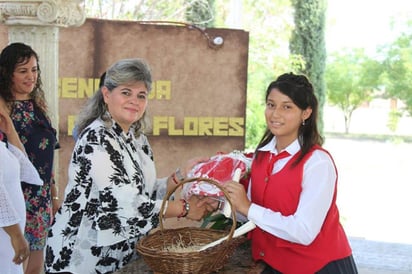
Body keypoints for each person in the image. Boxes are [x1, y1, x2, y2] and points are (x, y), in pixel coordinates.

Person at [44, 58, 211, 274]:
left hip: (120, 257)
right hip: (80, 258)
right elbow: (123, 203)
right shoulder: (97, 138)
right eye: (126, 92)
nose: (134, 101)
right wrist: (185, 209)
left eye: (141, 95)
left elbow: (145, 193)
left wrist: (180, 175)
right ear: (106, 94)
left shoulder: (136, 138)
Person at [224, 73, 358, 273]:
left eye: (287, 107)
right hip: (273, 265)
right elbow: (252, 212)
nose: (275, 114)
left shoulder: (317, 163)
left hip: (319, 268)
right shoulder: (262, 155)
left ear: (306, 113)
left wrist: (247, 206)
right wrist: (223, 203)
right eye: (271, 105)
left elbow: (304, 231)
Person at [0, 42, 59, 274]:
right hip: (17, 196)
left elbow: (48, 153)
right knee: (15, 264)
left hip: (41, 196)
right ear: (7, 73)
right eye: (23, 71)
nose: (31, 76)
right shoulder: (4, 107)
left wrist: (52, 193)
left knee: (36, 267)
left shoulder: (37, 104)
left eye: (34, 70)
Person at [0, 96, 43, 274]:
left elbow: (26, 169)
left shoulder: (3, 146)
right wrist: (16, 235)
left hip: (8, 234)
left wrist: (10, 130)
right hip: (7, 234)